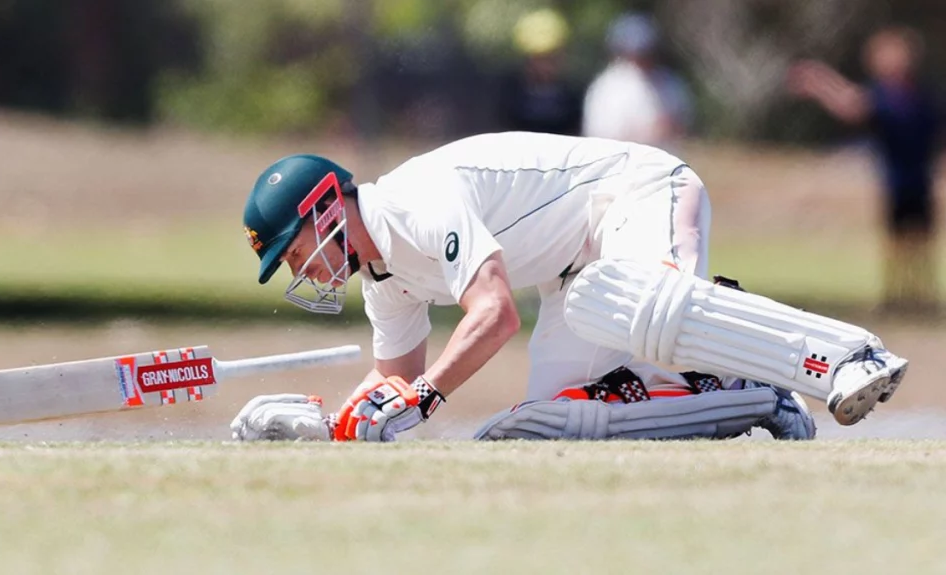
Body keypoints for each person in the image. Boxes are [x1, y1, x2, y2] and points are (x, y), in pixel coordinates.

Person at [230, 132, 909, 444]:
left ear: (326, 209)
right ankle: (754, 396)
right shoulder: (383, 279)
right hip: (573, 271)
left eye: (296, 254)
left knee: (633, 300)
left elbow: (493, 315)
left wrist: (428, 399)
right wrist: (318, 428)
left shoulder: (410, 201)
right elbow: (393, 384)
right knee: (557, 419)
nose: (304, 272)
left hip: (635, 193)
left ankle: (847, 357)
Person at [786, 25, 941, 315]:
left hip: (920, 179)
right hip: (896, 180)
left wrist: (818, 79)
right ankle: (897, 296)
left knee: (921, 241)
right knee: (896, 242)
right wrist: (820, 80)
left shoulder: (921, 96)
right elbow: (850, 104)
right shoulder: (884, 96)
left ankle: (923, 295)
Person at [581, 12, 693, 153]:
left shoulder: (669, 81)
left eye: (646, 51)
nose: (641, 58)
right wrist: (650, 131)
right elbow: (601, 136)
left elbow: (683, 121)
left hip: (666, 165)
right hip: (623, 167)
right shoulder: (607, 87)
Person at [499, 8, 583, 136]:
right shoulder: (508, 95)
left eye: (553, 57)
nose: (547, 65)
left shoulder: (573, 98)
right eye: (541, 58)